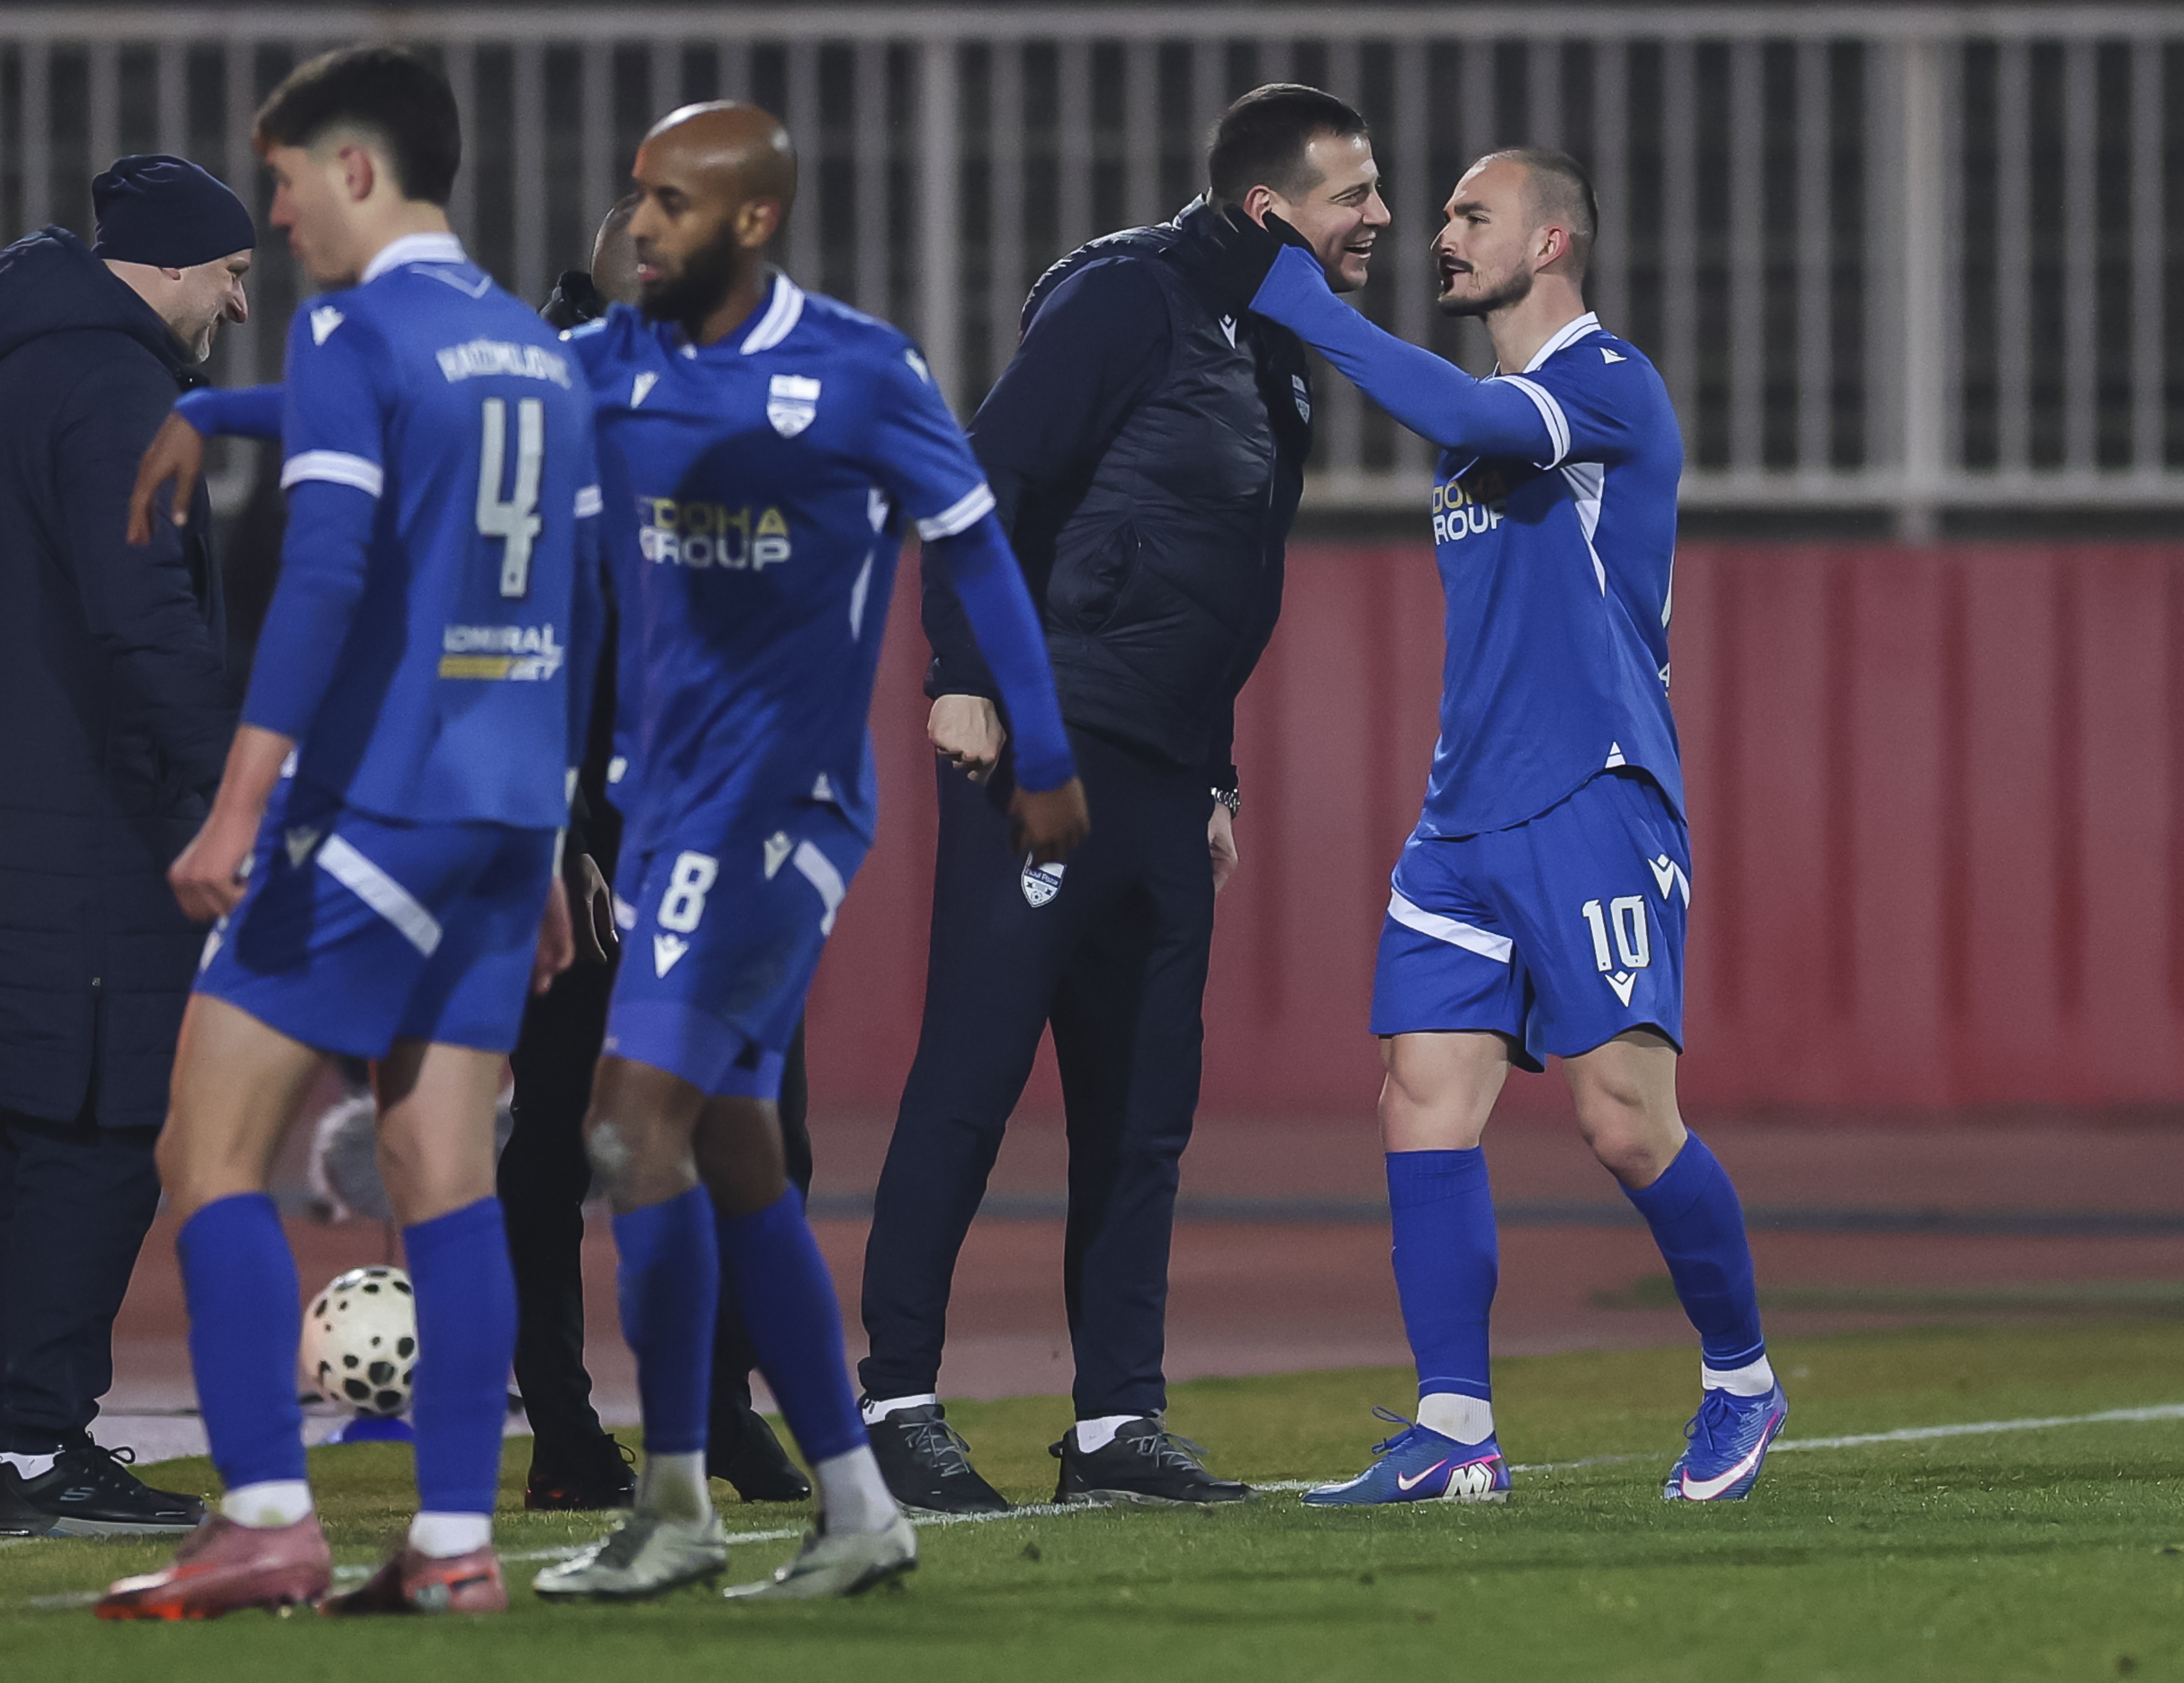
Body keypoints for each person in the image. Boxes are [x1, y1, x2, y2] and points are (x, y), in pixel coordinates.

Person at [531, 100, 1087, 1603]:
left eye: (665, 200)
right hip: (668, 809)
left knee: (624, 1129)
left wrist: (1042, 749)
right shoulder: (612, 364)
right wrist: (219, 416)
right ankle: (855, 1508)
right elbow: (455, 412)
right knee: (732, 1147)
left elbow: (973, 544)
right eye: (631, 196)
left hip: (782, 807)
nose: (637, 226)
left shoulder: (855, 369)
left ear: (752, 219)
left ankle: (675, 1505)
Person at [96, 44, 601, 1619]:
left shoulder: (355, 328)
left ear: (361, 173)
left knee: (209, 1147)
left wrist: (241, 808)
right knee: (439, 1164)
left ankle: (263, 1519)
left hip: (372, 807)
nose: (279, 214)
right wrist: (563, 846)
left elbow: (320, 586)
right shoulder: (535, 351)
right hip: (506, 822)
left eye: (290, 179)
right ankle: (453, 1546)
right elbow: (581, 613)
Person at [1204, 148, 1784, 1506]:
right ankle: (1455, 1429)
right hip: (1461, 818)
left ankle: (1741, 1380)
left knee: (1626, 1125)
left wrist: (1301, 297)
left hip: (1591, 797)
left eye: (1474, 216)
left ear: (1554, 242)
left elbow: (1461, 402)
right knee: (1421, 1102)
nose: (1444, 236)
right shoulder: (1488, 419)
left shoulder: (1606, 384)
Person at [854, 84, 1386, 1514]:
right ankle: (896, 1404)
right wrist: (958, 673)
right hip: (1051, 745)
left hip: (1159, 775)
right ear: (1272, 207)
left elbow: (1219, 583)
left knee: (1143, 1112)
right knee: (970, 1080)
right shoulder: (1123, 302)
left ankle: (1114, 1426)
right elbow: (985, 481)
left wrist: (1210, 769)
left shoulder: (1277, 350)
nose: (1379, 219)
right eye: (1356, 195)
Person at [513, 193, 811, 1511]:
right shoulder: (540, 409)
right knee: (552, 1145)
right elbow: (519, 643)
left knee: (763, 1137)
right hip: (577, 835)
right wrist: (557, 832)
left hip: (713, 823)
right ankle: (568, 1439)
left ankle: (717, 1411)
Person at [0, 156, 253, 1540]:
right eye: (225, 276)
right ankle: (33, 1445)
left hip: (25, 803)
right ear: (162, 266)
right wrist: (231, 795)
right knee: (98, 1129)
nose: (230, 304)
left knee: (30, 1124)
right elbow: (141, 619)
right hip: (90, 824)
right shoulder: (112, 385)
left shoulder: (24, 357)